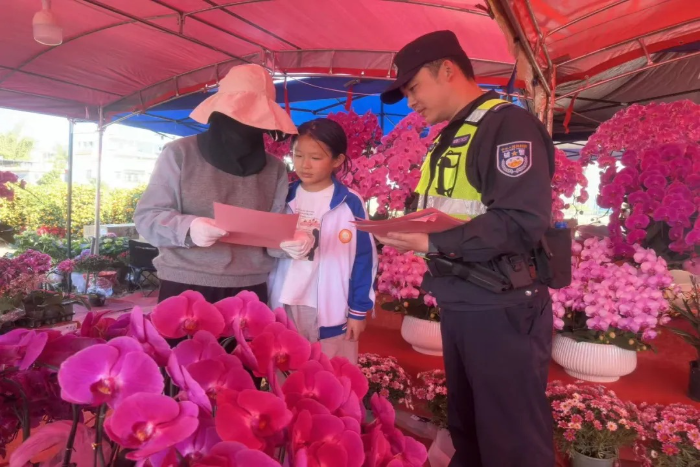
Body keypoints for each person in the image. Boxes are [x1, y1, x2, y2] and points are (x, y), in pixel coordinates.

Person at [376, 31, 556, 467]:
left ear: (447, 70)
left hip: (502, 305)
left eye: (413, 87)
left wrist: (433, 240)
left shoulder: (506, 126)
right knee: (469, 430)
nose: (410, 102)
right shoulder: (453, 134)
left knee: (510, 441)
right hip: (464, 300)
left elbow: (522, 220)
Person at [134, 64, 296, 304]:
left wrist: (293, 241)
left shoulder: (275, 169)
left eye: (254, 120)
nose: (244, 128)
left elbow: (272, 239)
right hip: (186, 283)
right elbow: (147, 217)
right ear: (220, 113)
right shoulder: (180, 154)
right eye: (237, 116)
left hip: (250, 289)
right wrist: (190, 228)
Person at [268, 118, 377, 364]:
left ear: (337, 160)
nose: (304, 165)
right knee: (285, 373)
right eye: (297, 155)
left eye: (315, 158)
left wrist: (358, 311)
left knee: (330, 376)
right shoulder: (282, 196)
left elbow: (364, 259)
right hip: (284, 302)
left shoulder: (350, 202)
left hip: (331, 307)